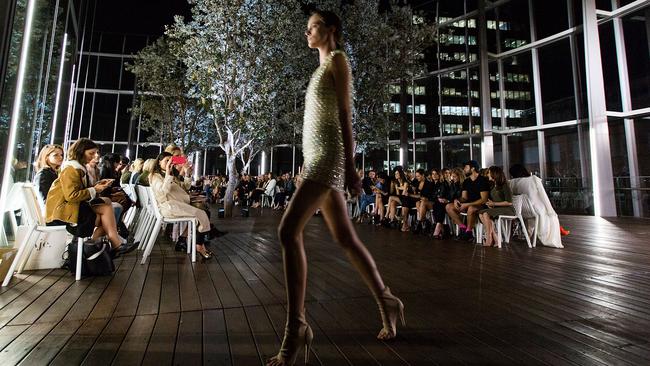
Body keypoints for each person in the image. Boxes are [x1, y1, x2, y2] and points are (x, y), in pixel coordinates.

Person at [267, 10, 404, 366]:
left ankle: (296, 326)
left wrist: (352, 168)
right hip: (316, 159)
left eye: (313, 26)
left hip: (330, 157)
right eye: (307, 27)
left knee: (286, 231)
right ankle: (387, 299)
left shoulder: (339, 61)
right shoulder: (318, 69)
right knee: (345, 238)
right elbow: (316, 120)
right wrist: (305, 165)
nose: (307, 32)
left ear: (331, 30)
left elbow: (344, 114)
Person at [45, 138, 137, 255]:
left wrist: (97, 186)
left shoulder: (78, 168)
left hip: (70, 208)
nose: (94, 156)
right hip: (62, 214)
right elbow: (72, 196)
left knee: (107, 208)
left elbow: (79, 192)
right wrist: (95, 189)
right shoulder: (71, 169)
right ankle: (103, 246)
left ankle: (105, 246)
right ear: (80, 152)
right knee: (107, 215)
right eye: (91, 153)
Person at [149, 152, 214, 259]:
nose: (169, 163)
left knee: (202, 210)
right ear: (159, 162)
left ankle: (195, 242)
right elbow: (163, 192)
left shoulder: (166, 174)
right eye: (166, 160)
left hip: (176, 203)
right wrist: (168, 175)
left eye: (171, 160)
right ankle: (199, 245)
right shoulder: (156, 176)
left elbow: (185, 187)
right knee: (202, 212)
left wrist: (187, 174)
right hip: (169, 207)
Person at [509, 164, 565, 247]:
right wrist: (550, 209)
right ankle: (550, 238)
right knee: (551, 216)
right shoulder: (533, 179)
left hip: (520, 212)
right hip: (534, 210)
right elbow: (543, 196)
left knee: (537, 214)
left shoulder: (511, 182)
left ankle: (527, 234)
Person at [445, 160, 490, 242]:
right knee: (449, 206)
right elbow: (464, 198)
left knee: (471, 208)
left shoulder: (482, 180)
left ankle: (469, 232)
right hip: (468, 204)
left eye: (466, 167)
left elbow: (484, 200)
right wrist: (457, 200)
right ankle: (463, 228)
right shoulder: (466, 181)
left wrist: (467, 204)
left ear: (472, 169)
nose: (464, 169)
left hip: (481, 205)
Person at [479, 166, 514, 247]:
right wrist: (491, 204)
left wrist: (494, 204)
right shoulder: (492, 185)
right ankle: (495, 237)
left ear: (494, 174)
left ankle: (489, 238)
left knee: (485, 214)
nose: (487, 174)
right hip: (497, 209)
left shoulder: (504, 184)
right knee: (481, 213)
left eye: (489, 172)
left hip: (508, 209)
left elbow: (509, 202)